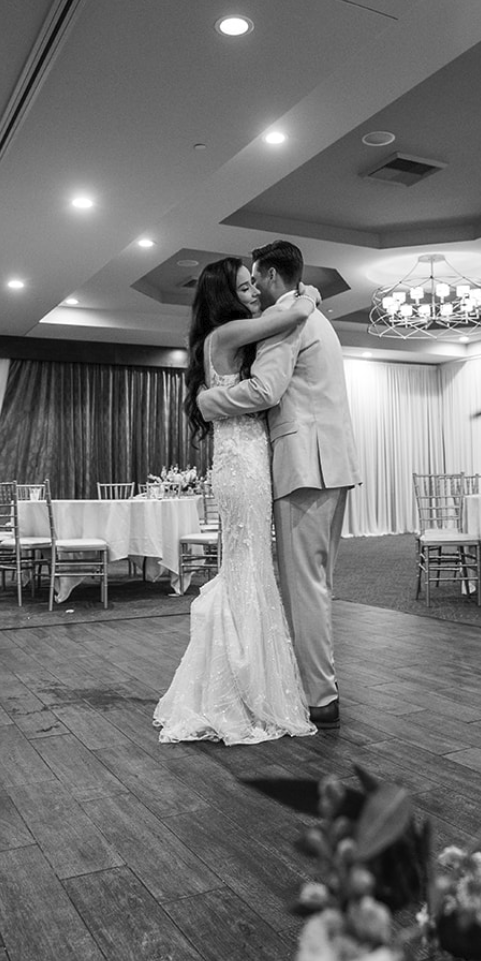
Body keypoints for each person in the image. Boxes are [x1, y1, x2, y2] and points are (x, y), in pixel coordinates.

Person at [154, 257, 320, 745]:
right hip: (242, 464)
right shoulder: (225, 334)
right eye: (245, 287)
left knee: (247, 567)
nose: (253, 294)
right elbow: (289, 319)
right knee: (248, 568)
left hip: (239, 459)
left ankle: (238, 682)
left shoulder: (224, 338)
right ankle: (242, 688)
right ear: (225, 295)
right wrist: (307, 296)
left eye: (254, 286)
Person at [196, 239, 359, 729]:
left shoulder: (286, 324)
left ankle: (319, 697)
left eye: (254, 280)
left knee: (303, 587)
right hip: (333, 463)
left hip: (302, 466)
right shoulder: (316, 318)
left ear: (268, 276)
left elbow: (267, 390)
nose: (252, 290)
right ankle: (315, 683)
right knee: (317, 583)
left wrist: (206, 402)